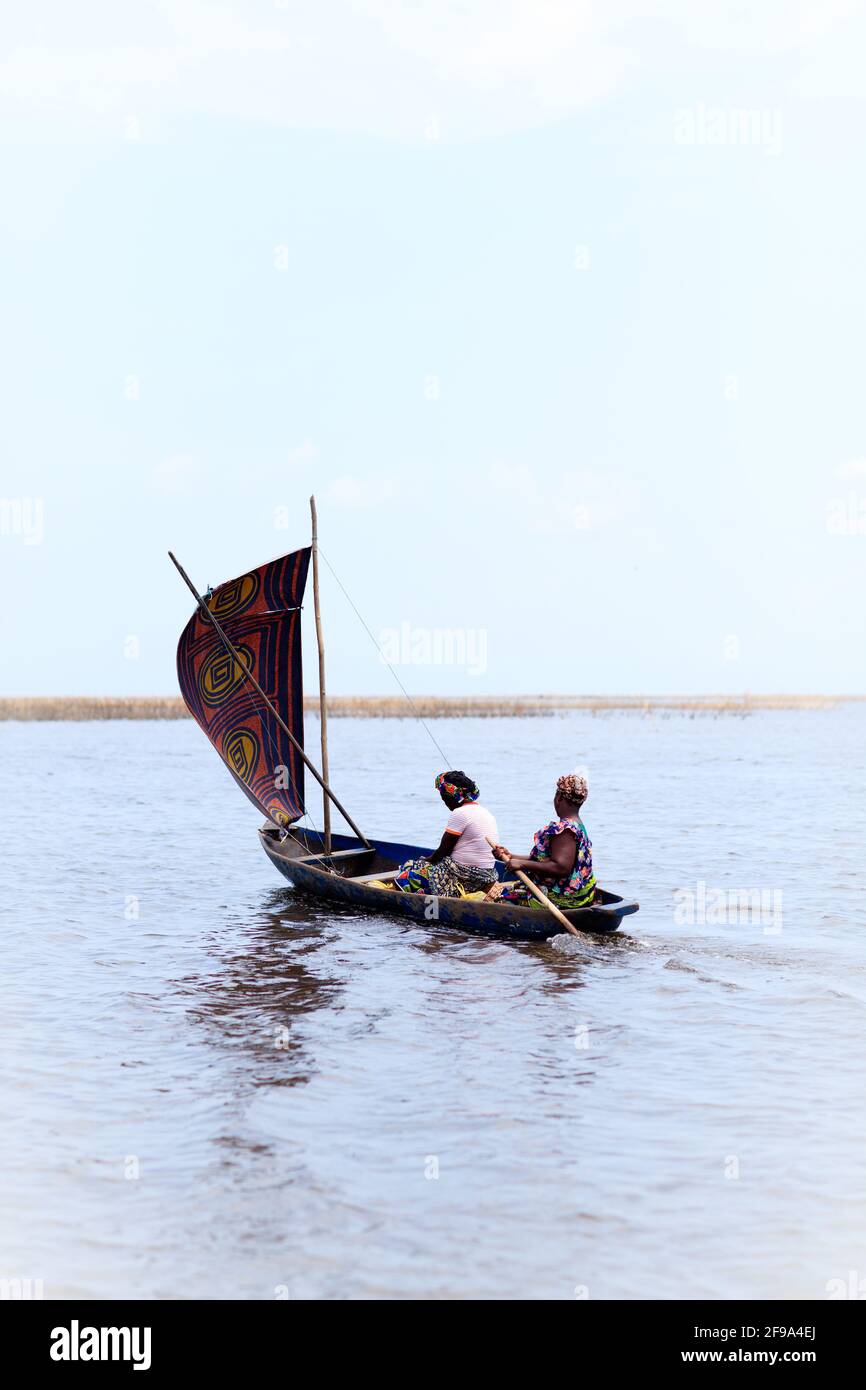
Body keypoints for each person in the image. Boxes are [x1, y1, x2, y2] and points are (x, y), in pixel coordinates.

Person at [494, 772, 597, 908]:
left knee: (501, 897)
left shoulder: (565, 829)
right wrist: (511, 856)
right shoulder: (578, 825)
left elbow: (561, 867)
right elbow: (547, 861)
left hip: (563, 897)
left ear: (559, 797)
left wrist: (522, 865)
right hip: (580, 894)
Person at [394, 771, 499, 897]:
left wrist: (426, 860)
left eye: (444, 797)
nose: (444, 801)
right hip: (486, 875)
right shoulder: (486, 812)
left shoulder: (460, 813)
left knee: (408, 869)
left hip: (463, 874)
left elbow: (443, 851)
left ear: (451, 797)